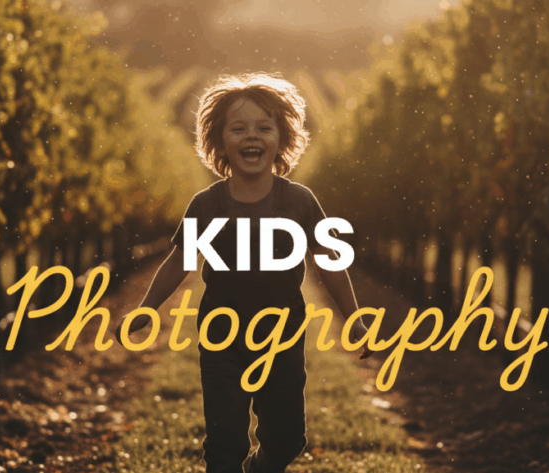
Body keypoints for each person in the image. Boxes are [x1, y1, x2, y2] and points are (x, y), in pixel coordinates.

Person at [116, 72, 372, 473]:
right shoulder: (207, 205)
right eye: (238, 128)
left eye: (264, 127)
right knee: (224, 441)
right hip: (222, 335)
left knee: (288, 439)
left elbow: (329, 262)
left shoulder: (299, 201)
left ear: (283, 139)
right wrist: (146, 308)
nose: (251, 136)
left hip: (283, 336)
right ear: (218, 142)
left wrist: (353, 318)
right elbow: (179, 263)